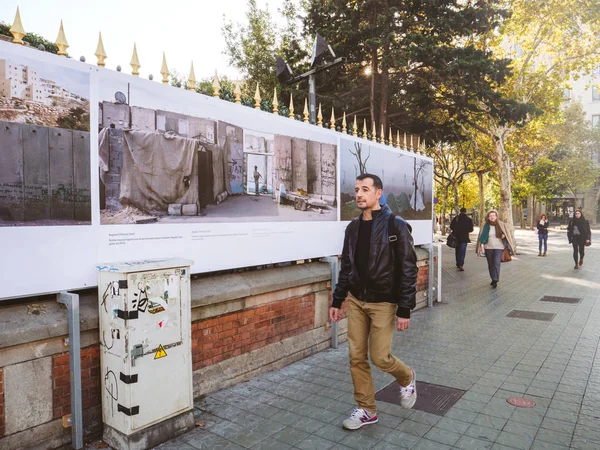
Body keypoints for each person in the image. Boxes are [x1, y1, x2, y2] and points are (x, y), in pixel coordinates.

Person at [330, 173, 418, 430]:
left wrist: (405, 307)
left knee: (379, 357)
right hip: (357, 300)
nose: (359, 194)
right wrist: (338, 300)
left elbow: (408, 267)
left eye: (365, 189)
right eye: (357, 189)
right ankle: (367, 409)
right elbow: (347, 267)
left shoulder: (396, 225)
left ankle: (406, 376)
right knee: (356, 357)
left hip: (384, 303)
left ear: (378, 193)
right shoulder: (353, 228)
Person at [477, 210, 516, 288]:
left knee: (496, 263)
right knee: (490, 264)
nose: (492, 217)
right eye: (490, 215)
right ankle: (493, 278)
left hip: (499, 247)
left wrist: (504, 236)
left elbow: (507, 234)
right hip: (488, 247)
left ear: (496, 216)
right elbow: (481, 236)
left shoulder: (501, 224)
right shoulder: (484, 225)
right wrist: (481, 245)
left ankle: (495, 279)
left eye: (494, 215)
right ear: (488, 216)